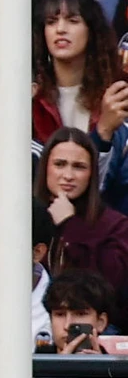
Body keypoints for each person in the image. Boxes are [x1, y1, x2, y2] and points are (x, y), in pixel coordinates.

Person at [39, 126, 128, 309]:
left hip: (96, 325)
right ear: (45, 167)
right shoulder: (23, 215)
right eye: (60, 164)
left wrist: (70, 226)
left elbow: (109, 287)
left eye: (79, 167)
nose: (68, 176)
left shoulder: (115, 224)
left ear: (92, 174)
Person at [32, 0, 127, 146]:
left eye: (73, 21)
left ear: (92, 31)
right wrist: (102, 130)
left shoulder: (118, 91)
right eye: (51, 22)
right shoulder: (33, 98)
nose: (60, 29)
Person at [44, 270, 120, 356]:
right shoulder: (32, 364)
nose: (67, 325)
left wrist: (102, 367)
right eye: (60, 314)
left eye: (80, 314)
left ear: (101, 322)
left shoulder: (119, 366)